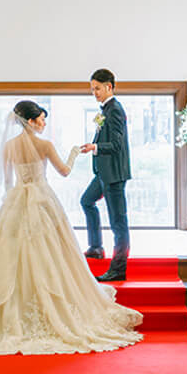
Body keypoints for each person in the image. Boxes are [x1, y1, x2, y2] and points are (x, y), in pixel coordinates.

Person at [0, 100, 142, 355]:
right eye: (42, 119)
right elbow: (64, 171)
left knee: (9, 253)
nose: (44, 123)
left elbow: (7, 182)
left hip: (16, 202)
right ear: (30, 121)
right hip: (43, 201)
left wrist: (14, 202)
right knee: (53, 252)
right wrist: (75, 153)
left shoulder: (9, 147)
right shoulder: (44, 145)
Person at [80, 69, 131, 281]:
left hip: (114, 175)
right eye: (92, 89)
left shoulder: (115, 110)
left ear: (109, 86)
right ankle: (96, 247)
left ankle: (118, 268)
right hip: (102, 172)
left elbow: (117, 145)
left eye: (97, 88)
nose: (94, 93)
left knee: (118, 222)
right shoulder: (105, 110)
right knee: (86, 201)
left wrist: (95, 147)